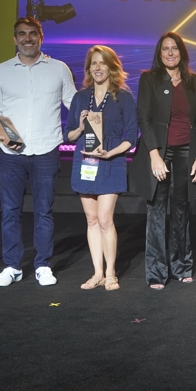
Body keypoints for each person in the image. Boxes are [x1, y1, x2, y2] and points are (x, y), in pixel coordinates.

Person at [0, 17, 76, 287]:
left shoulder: (59, 69)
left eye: (33, 33)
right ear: (15, 39)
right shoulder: (1, 71)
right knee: (10, 211)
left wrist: (96, 119)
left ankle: (43, 265)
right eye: (22, 34)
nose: (27, 39)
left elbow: (74, 103)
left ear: (41, 37)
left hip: (46, 150)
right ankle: (12, 266)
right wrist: (0, 134)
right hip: (11, 154)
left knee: (43, 211)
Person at [129, 33, 196, 290]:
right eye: (165, 49)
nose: (170, 53)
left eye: (174, 48)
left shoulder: (195, 82)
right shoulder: (149, 79)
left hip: (187, 152)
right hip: (159, 152)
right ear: (159, 53)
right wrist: (154, 155)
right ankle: (156, 272)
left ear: (182, 52)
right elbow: (144, 118)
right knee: (157, 210)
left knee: (181, 210)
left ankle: (181, 266)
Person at [65, 46, 137, 291]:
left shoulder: (123, 97)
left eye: (102, 63)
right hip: (85, 160)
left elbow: (131, 137)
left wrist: (111, 153)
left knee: (105, 219)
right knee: (92, 219)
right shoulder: (80, 98)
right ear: (88, 68)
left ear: (111, 67)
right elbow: (69, 135)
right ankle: (97, 273)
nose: (97, 67)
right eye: (93, 63)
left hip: (110, 161)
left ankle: (110, 273)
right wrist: (80, 126)